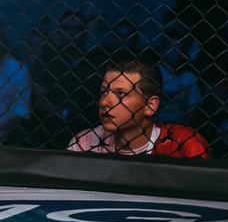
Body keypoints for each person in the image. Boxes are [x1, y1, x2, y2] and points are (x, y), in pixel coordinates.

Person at [67, 55, 210, 158]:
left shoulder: (183, 145)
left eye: (121, 94)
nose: (105, 102)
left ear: (150, 106)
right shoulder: (85, 142)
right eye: (104, 91)